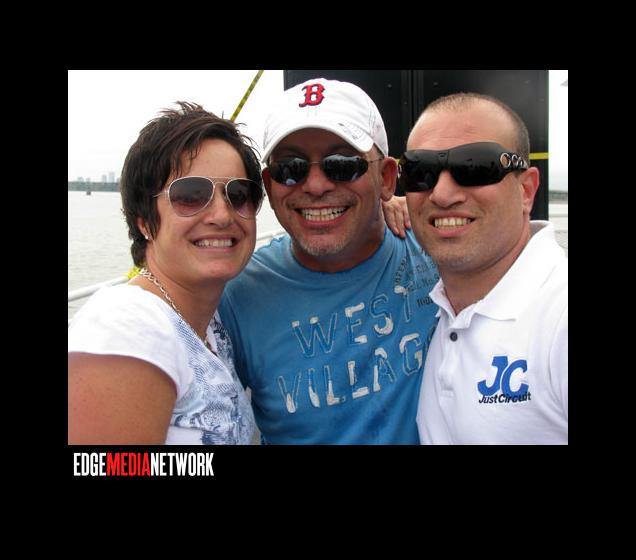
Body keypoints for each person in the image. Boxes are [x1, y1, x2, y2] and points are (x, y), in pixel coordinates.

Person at [218, 78, 440, 444]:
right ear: (270, 185)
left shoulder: (437, 254)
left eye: (343, 165)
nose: (316, 185)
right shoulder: (236, 295)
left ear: (386, 178)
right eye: (291, 168)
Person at [68, 101, 263, 444]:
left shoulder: (210, 324)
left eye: (238, 194)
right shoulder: (127, 326)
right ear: (144, 220)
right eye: (191, 195)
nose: (222, 214)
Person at [399, 92, 568, 444]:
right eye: (420, 172)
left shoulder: (559, 317)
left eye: (474, 167)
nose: (442, 194)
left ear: (526, 190)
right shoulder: (441, 307)